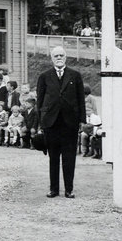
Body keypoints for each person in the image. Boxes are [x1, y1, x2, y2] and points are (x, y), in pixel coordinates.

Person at [36, 46, 86, 199]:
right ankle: (54, 189)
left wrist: (82, 120)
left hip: (70, 123)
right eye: (56, 56)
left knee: (69, 157)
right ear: (51, 58)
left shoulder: (75, 75)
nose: (59, 58)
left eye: (61, 55)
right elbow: (40, 101)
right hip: (51, 123)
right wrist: (41, 123)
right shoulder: (44, 76)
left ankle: (69, 189)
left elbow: (80, 100)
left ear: (66, 57)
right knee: (53, 158)